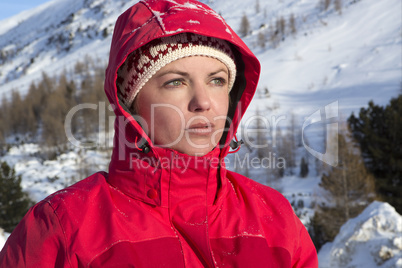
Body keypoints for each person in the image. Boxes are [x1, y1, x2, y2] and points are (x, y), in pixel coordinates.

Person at [0, 0, 318, 267]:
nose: (203, 102)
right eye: (175, 82)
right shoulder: (63, 228)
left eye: (218, 80)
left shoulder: (275, 219)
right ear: (130, 104)